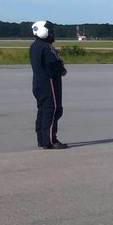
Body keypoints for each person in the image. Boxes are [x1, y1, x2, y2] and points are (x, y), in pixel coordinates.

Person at [30, 20, 68, 150]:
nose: (52, 34)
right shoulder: (47, 47)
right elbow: (53, 64)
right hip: (49, 83)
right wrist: (62, 70)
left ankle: (42, 138)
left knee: (42, 110)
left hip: (38, 83)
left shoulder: (34, 46)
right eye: (51, 31)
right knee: (53, 110)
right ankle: (50, 140)